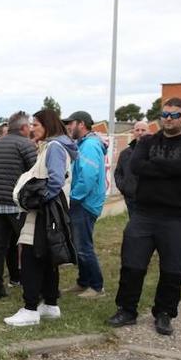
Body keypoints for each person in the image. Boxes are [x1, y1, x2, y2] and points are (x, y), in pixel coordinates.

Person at [107, 97, 181, 335]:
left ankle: (164, 313)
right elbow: (137, 166)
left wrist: (156, 166)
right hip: (144, 214)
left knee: (172, 268)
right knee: (132, 264)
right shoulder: (148, 141)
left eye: (174, 115)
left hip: (176, 216)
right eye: (165, 115)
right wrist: (171, 169)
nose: (168, 119)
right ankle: (127, 310)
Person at [3, 109, 78, 327]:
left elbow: (55, 180)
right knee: (46, 258)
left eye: (36, 124)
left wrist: (40, 198)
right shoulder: (57, 146)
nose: (33, 127)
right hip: (52, 212)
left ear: (47, 124)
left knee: (31, 257)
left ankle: (30, 308)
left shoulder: (54, 147)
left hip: (44, 212)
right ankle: (51, 303)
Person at [0, 111, 37, 298]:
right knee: (29, 243)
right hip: (16, 203)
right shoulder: (25, 145)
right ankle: (32, 285)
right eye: (30, 125)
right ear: (23, 128)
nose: (31, 128)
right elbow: (36, 172)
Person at [65, 110, 107, 297]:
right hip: (84, 202)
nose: (68, 127)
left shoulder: (89, 145)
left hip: (84, 203)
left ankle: (97, 287)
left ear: (81, 124)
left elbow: (88, 177)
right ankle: (83, 282)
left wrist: (73, 198)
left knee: (83, 246)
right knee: (79, 245)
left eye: (71, 123)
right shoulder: (84, 144)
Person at [114, 119, 149, 207]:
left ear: (148, 132)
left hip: (149, 200)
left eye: (143, 130)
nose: (140, 133)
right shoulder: (125, 153)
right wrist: (124, 188)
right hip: (131, 199)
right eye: (137, 130)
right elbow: (118, 173)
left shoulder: (154, 151)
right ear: (133, 132)